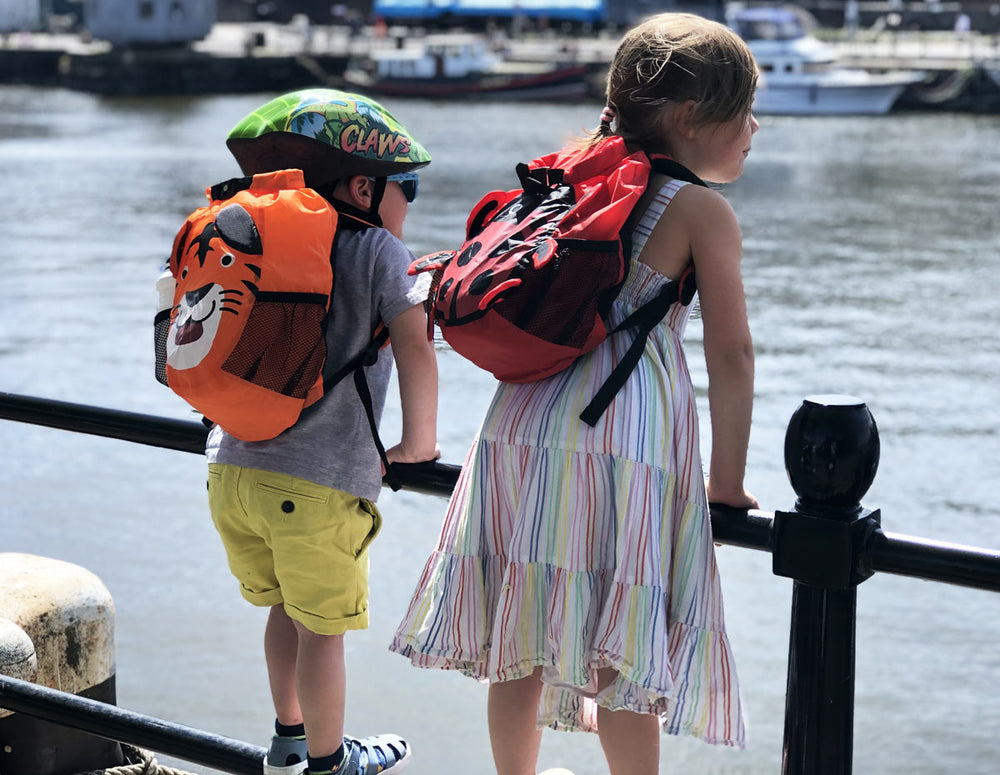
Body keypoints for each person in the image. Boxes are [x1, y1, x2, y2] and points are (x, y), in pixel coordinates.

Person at [391, 13, 759, 774]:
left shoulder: (571, 177)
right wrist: (725, 484)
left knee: (517, 628)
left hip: (520, 420)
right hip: (622, 433)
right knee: (622, 645)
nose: (755, 128)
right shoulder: (701, 211)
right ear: (692, 118)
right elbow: (732, 354)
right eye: (745, 111)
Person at [205, 90, 438, 775]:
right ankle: (331, 762)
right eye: (406, 188)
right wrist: (417, 445)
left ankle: (289, 740)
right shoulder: (377, 249)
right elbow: (416, 346)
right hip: (317, 483)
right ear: (363, 187)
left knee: (284, 607)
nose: (407, 204)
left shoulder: (246, 235)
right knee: (323, 630)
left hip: (230, 468)